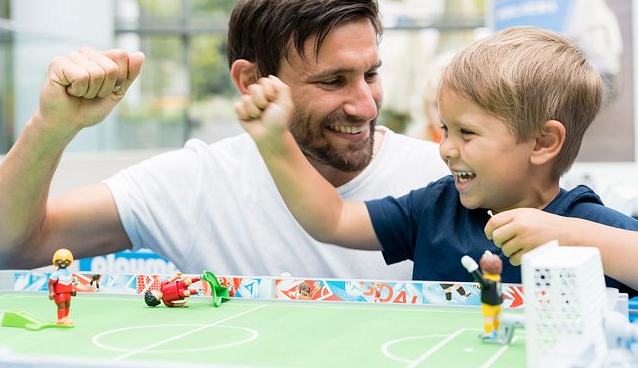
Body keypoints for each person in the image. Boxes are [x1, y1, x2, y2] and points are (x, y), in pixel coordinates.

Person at [0, 0, 449, 279]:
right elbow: (3, 248)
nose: (365, 105)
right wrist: (50, 129)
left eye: (371, 74)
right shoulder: (198, 182)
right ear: (250, 80)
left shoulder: (447, 174)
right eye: (333, 81)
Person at [236, 26, 638, 293]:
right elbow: (333, 219)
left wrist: (573, 238)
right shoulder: (434, 208)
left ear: (542, 142)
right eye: (445, 129)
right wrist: (275, 141)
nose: (445, 148)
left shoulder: (582, 222)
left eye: (468, 132)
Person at [462, 251, 503, 342]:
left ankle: (488, 333)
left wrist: (472, 268)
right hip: (498, 304)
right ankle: (496, 331)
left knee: (488, 318)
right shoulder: (497, 277)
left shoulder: (488, 281)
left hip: (489, 304)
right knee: (496, 318)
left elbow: (480, 279)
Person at [48, 248, 77, 325]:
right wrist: (51, 292)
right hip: (60, 294)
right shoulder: (56, 274)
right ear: (56, 262)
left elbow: (69, 283)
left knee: (68, 305)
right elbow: (51, 283)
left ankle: (66, 317)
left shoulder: (68, 273)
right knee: (62, 306)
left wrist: (72, 290)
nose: (63, 263)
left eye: (66, 261)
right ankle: (60, 319)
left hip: (67, 293)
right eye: (60, 261)